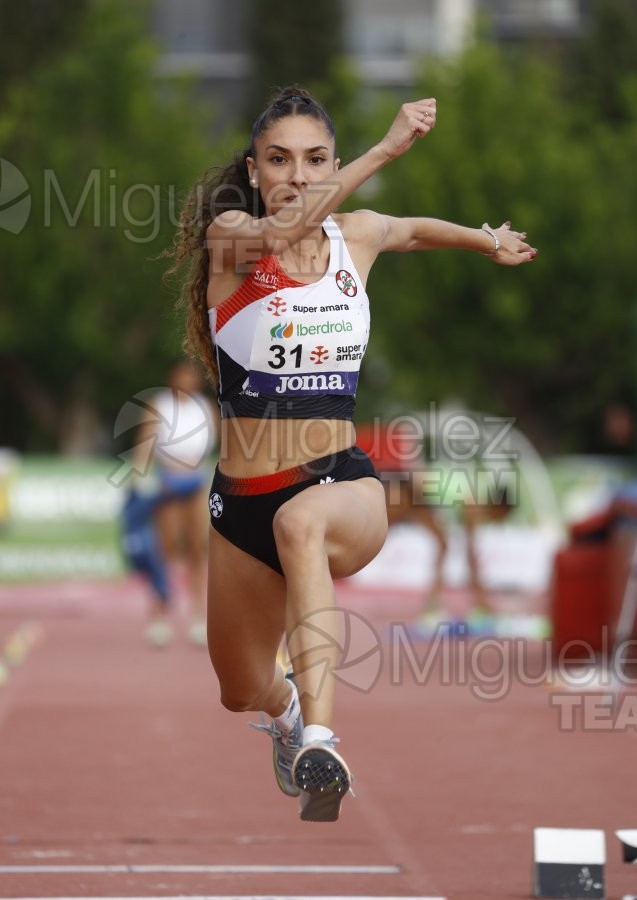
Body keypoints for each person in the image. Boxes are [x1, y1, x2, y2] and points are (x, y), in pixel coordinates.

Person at [168, 85, 537, 821]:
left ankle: (321, 738)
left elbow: (407, 230)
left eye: (313, 159)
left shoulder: (353, 237)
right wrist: (384, 150)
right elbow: (287, 231)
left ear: (331, 163)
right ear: (254, 168)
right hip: (241, 504)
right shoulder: (233, 238)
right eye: (278, 160)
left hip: (338, 483)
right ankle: (282, 718)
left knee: (301, 525)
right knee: (238, 687)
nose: (297, 176)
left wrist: (482, 238)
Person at [135, 359, 218, 647]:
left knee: (197, 548)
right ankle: (159, 616)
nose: (187, 380)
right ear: (173, 377)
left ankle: (198, 616)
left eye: (191, 376)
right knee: (167, 548)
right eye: (181, 374)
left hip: (195, 481)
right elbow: (145, 442)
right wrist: (140, 479)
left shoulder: (205, 407)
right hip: (168, 481)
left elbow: (216, 442)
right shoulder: (160, 404)